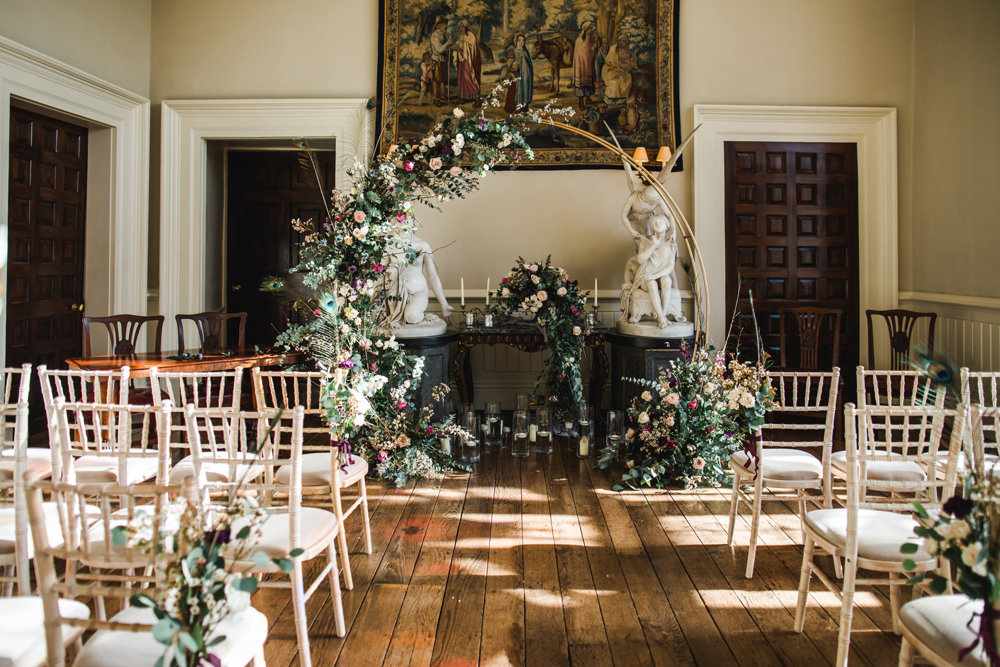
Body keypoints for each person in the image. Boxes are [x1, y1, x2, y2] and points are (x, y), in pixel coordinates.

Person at [619, 213, 679, 329]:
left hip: (660, 275)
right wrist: (653, 246)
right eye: (654, 222)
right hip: (645, 275)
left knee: (667, 280)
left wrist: (656, 275)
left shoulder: (670, 244)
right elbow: (640, 260)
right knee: (651, 283)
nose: (657, 223)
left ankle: (663, 314)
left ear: (667, 226)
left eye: (660, 222)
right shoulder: (645, 240)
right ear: (651, 227)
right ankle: (661, 318)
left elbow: (670, 266)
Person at [385, 228, 454, 327]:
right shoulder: (390, 245)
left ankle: (419, 315)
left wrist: (444, 304)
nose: (403, 224)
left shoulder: (422, 245)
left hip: (418, 290)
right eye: (400, 220)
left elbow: (433, 276)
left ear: (413, 224)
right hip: (396, 292)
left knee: (411, 316)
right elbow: (381, 272)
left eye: (407, 220)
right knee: (393, 322)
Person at [602, 32, 634, 104]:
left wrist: (624, 68)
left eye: (624, 40)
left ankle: (621, 99)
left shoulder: (626, 51)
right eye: (620, 40)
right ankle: (611, 100)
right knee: (614, 82)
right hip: (611, 70)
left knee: (626, 79)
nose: (621, 42)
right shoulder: (613, 49)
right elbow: (608, 62)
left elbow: (629, 64)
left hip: (623, 71)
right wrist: (616, 67)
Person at [454, 20, 481, 103]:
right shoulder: (461, 36)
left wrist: (464, 44)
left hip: (467, 59)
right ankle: (463, 97)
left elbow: (472, 46)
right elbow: (459, 45)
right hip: (461, 58)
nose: (461, 29)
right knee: (461, 77)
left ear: (466, 27)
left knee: (467, 77)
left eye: (463, 27)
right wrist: (457, 48)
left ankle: (475, 94)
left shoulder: (471, 35)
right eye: (460, 27)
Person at [572, 21, 597, 108]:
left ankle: (588, 98)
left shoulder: (590, 40)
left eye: (592, 28)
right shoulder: (579, 40)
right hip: (581, 66)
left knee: (589, 81)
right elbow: (580, 54)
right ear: (586, 30)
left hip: (588, 65)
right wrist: (593, 49)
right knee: (581, 83)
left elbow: (589, 53)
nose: (591, 30)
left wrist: (593, 49)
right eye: (590, 28)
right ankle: (581, 101)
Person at [430, 16, 451, 105]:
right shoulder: (435, 36)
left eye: (445, 24)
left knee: (443, 79)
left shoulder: (442, 35)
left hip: (443, 60)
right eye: (443, 25)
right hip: (436, 60)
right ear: (438, 26)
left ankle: (443, 95)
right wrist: (448, 43)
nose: (446, 27)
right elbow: (439, 49)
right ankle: (435, 98)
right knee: (436, 80)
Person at [512, 32, 534, 110]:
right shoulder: (515, 51)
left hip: (528, 75)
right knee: (520, 91)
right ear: (516, 41)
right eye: (519, 40)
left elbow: (529, 64)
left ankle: (525, 106)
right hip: (520, 74)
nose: (521, 42)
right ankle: (519, 107)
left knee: (527, 90)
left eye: (523, 40)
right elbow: (514, 64)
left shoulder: (525, 51)